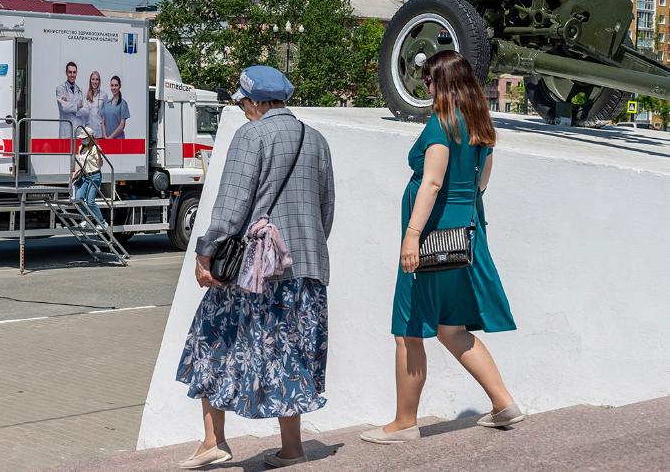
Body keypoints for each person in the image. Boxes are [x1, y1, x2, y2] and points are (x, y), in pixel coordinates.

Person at [175, 65, 335, 469]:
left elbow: (231, 207)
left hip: (257, 272)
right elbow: (325, 209)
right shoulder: (315, 140)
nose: (243, 109)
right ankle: (292, 448)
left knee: (210, 338)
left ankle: (214, 439)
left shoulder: (251, 136)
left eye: (244, 102)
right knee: (291, 354)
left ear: (259, 101)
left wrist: (204, 252)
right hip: (307, 267)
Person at [360, 50, 521, 445]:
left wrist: (412, 235)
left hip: (431, 240)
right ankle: (504, 404)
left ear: (442, 83)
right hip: (463, 238)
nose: (426, 86)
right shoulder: (481, 125)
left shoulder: (441, 126)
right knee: (452, 327)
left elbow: (432, 182)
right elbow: (481, 184)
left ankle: (404, 422)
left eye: (430, 80)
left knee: (409, 329)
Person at [70, 126, 105, 228]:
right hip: (85, 176)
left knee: (90, 201)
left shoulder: (96, 148)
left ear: (90, 137)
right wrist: (74, 175)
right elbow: (80, 164)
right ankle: (87, 220)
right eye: (82, 138)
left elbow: (100, 164)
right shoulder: (81, 148)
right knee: (78, 199)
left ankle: (102, 222)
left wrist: (99, 154)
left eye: (85, 138)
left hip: (95, 176)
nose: (82, 140)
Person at [56, 62, 84, 139]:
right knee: (65, 150)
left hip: (78, 129)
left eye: (74, 72)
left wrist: (68, 103)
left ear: (76, 73)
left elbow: (82, 110)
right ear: (66, 73)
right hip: (66, 130)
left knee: (78, 150)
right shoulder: (60, 89)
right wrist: (77, 106)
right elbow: (64, 108)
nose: (72, 75)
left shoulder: (80, 90)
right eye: (70, 72)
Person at [78, 71, 107, 138]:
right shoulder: (86, 95)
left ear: (99, 81)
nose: (95, 81)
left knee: (99, 148)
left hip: (100, 131)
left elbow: (106, 115)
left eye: (97, 79)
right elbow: (84, 113)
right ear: (90, 81)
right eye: (93, 79)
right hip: (88, 130)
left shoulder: (104, 95)